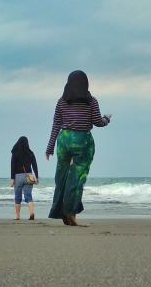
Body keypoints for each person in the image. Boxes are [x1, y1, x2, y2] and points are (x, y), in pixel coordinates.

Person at [45, 70, 111, 226]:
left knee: (61, 178)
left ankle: (60, 211)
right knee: (77, 178)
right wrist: (107, 119)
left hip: (64, 140)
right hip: (82, 141)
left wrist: (49, 147)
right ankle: (71, 213)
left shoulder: (62, 101)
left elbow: (56, 124)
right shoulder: (91, 101)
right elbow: (97, 122)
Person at [10, 136, 39, 220]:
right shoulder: (30, 153)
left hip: (18, 176)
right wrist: (36, 176)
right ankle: (31, 213)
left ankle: (18, 216)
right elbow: (34, 165)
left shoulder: (15, 153)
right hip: (28, 176)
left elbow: (13, 166)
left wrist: (12, 178)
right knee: (28, 196)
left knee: (17, 197)